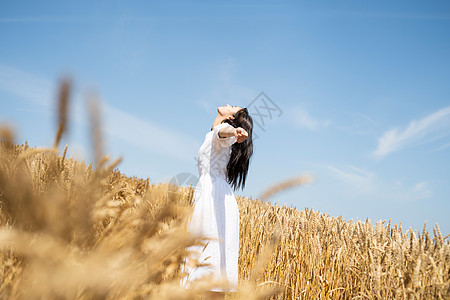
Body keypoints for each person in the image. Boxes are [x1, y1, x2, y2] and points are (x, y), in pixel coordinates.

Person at [180, 104, 253, 299]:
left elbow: (224, 132)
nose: (229, 104)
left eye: (234, 107)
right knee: (211, 264)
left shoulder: (221, 131)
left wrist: (234, 131)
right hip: (215, 196)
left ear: (231, 118)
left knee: (208, 262)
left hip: (213, 200)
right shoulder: (214, 133)